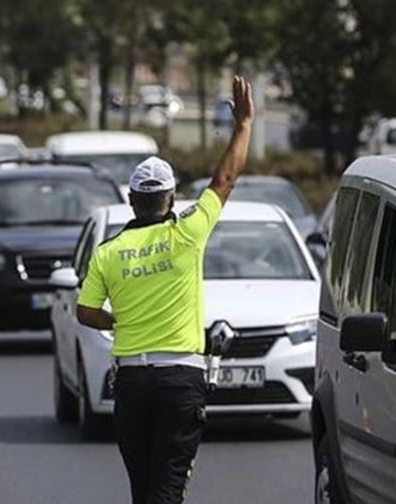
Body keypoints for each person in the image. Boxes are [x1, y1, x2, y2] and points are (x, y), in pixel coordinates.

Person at [76, 76, 255, 504]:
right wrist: (244, 125)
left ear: (132, 200)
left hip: (133, 383)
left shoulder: (109, 251)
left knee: (144, 491)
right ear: (171, 199)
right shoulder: (188, 234)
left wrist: (118, 319)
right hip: (181, 380)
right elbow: (225, 179)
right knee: (168, 489)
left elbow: (85, 312)